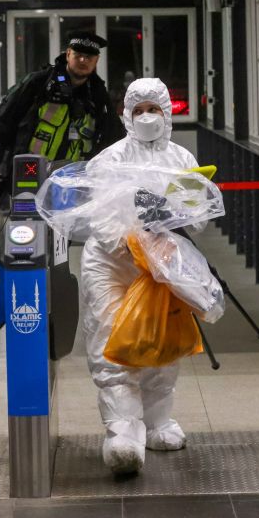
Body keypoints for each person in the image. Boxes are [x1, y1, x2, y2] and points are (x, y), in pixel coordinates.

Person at [78, 78, 202, 474]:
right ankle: (123, 433)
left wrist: (175, 223)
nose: (147, 116)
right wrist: (135, 243)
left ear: (167, 113)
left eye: (154, 109)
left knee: (161, 341)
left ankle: (158, 421)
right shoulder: (108, 160)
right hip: (112, 265)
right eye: (139, 110)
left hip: (161, 266)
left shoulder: (182, 158)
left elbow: (197, 217)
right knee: (113, 340)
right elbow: (102, 220)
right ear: (126, 115)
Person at [0, 31, 124, 195]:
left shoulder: (98, 95)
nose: (83, 60)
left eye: (89, 57)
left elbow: (114, 137)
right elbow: (4, 121)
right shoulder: (39, 83)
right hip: (28, 175)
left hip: (72, 186)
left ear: (96, 61)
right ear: (68, 54)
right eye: (78, 54)